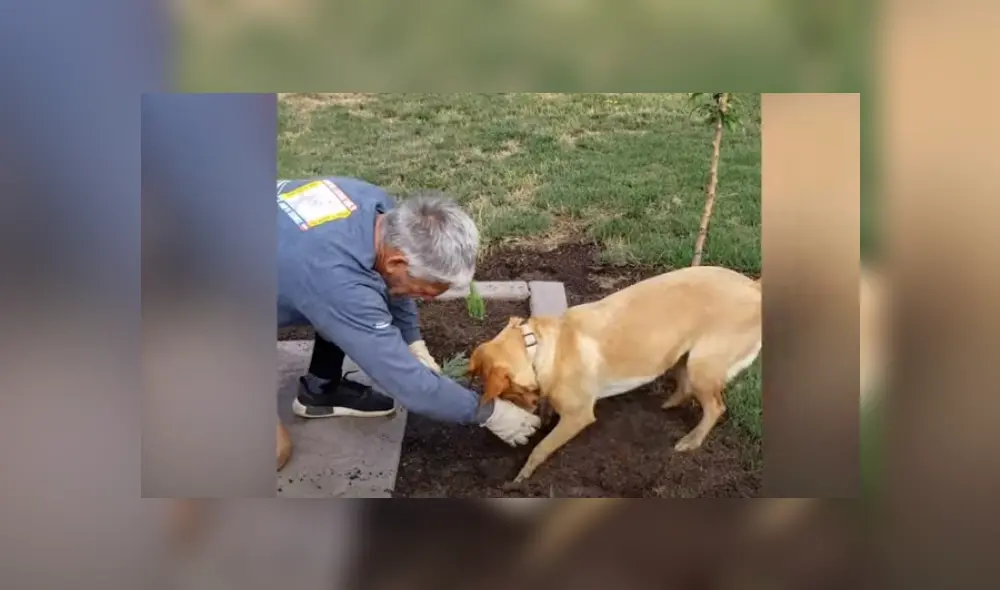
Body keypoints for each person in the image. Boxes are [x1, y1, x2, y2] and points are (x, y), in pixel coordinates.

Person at [276, 176, 541, 452]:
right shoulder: (336, 280)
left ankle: (320, 390)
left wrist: (413, 340)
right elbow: (412, 388)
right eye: (426, 291)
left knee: (339, 307)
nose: (425, 299)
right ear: (398, 262)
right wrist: (489, 413)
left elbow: (395, 288)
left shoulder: (378, 209)